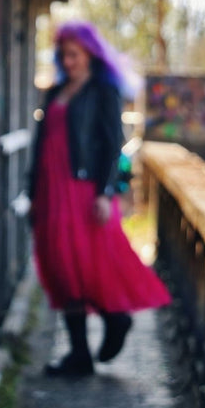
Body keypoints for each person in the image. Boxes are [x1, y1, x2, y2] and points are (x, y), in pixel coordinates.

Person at [26, 19, 171, 378]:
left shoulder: (103, 92)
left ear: (90, 53)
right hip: (50, 191)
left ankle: (114, 319)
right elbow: (40, 147)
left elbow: (113, 147)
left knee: (86, 264)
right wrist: (32, 194)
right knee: (59, 267)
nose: (68, 61)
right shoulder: (55, 91)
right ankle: (80, 354)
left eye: (74, 54)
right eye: (63, 55)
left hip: (82, 192)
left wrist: (107, 192)